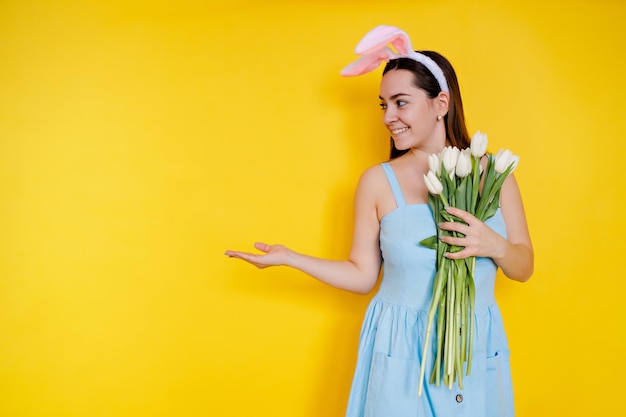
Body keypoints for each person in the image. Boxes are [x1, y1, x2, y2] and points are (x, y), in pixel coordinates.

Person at [225, 25, 533, 417]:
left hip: (470, 343)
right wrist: (292, 258)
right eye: (383, 105)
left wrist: (495, 245)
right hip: (400, 346)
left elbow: (524, 267)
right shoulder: (377, 182)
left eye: (401, 102)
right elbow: (362, 275)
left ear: (441, 104)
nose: (389, 116)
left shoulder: (494, 175)